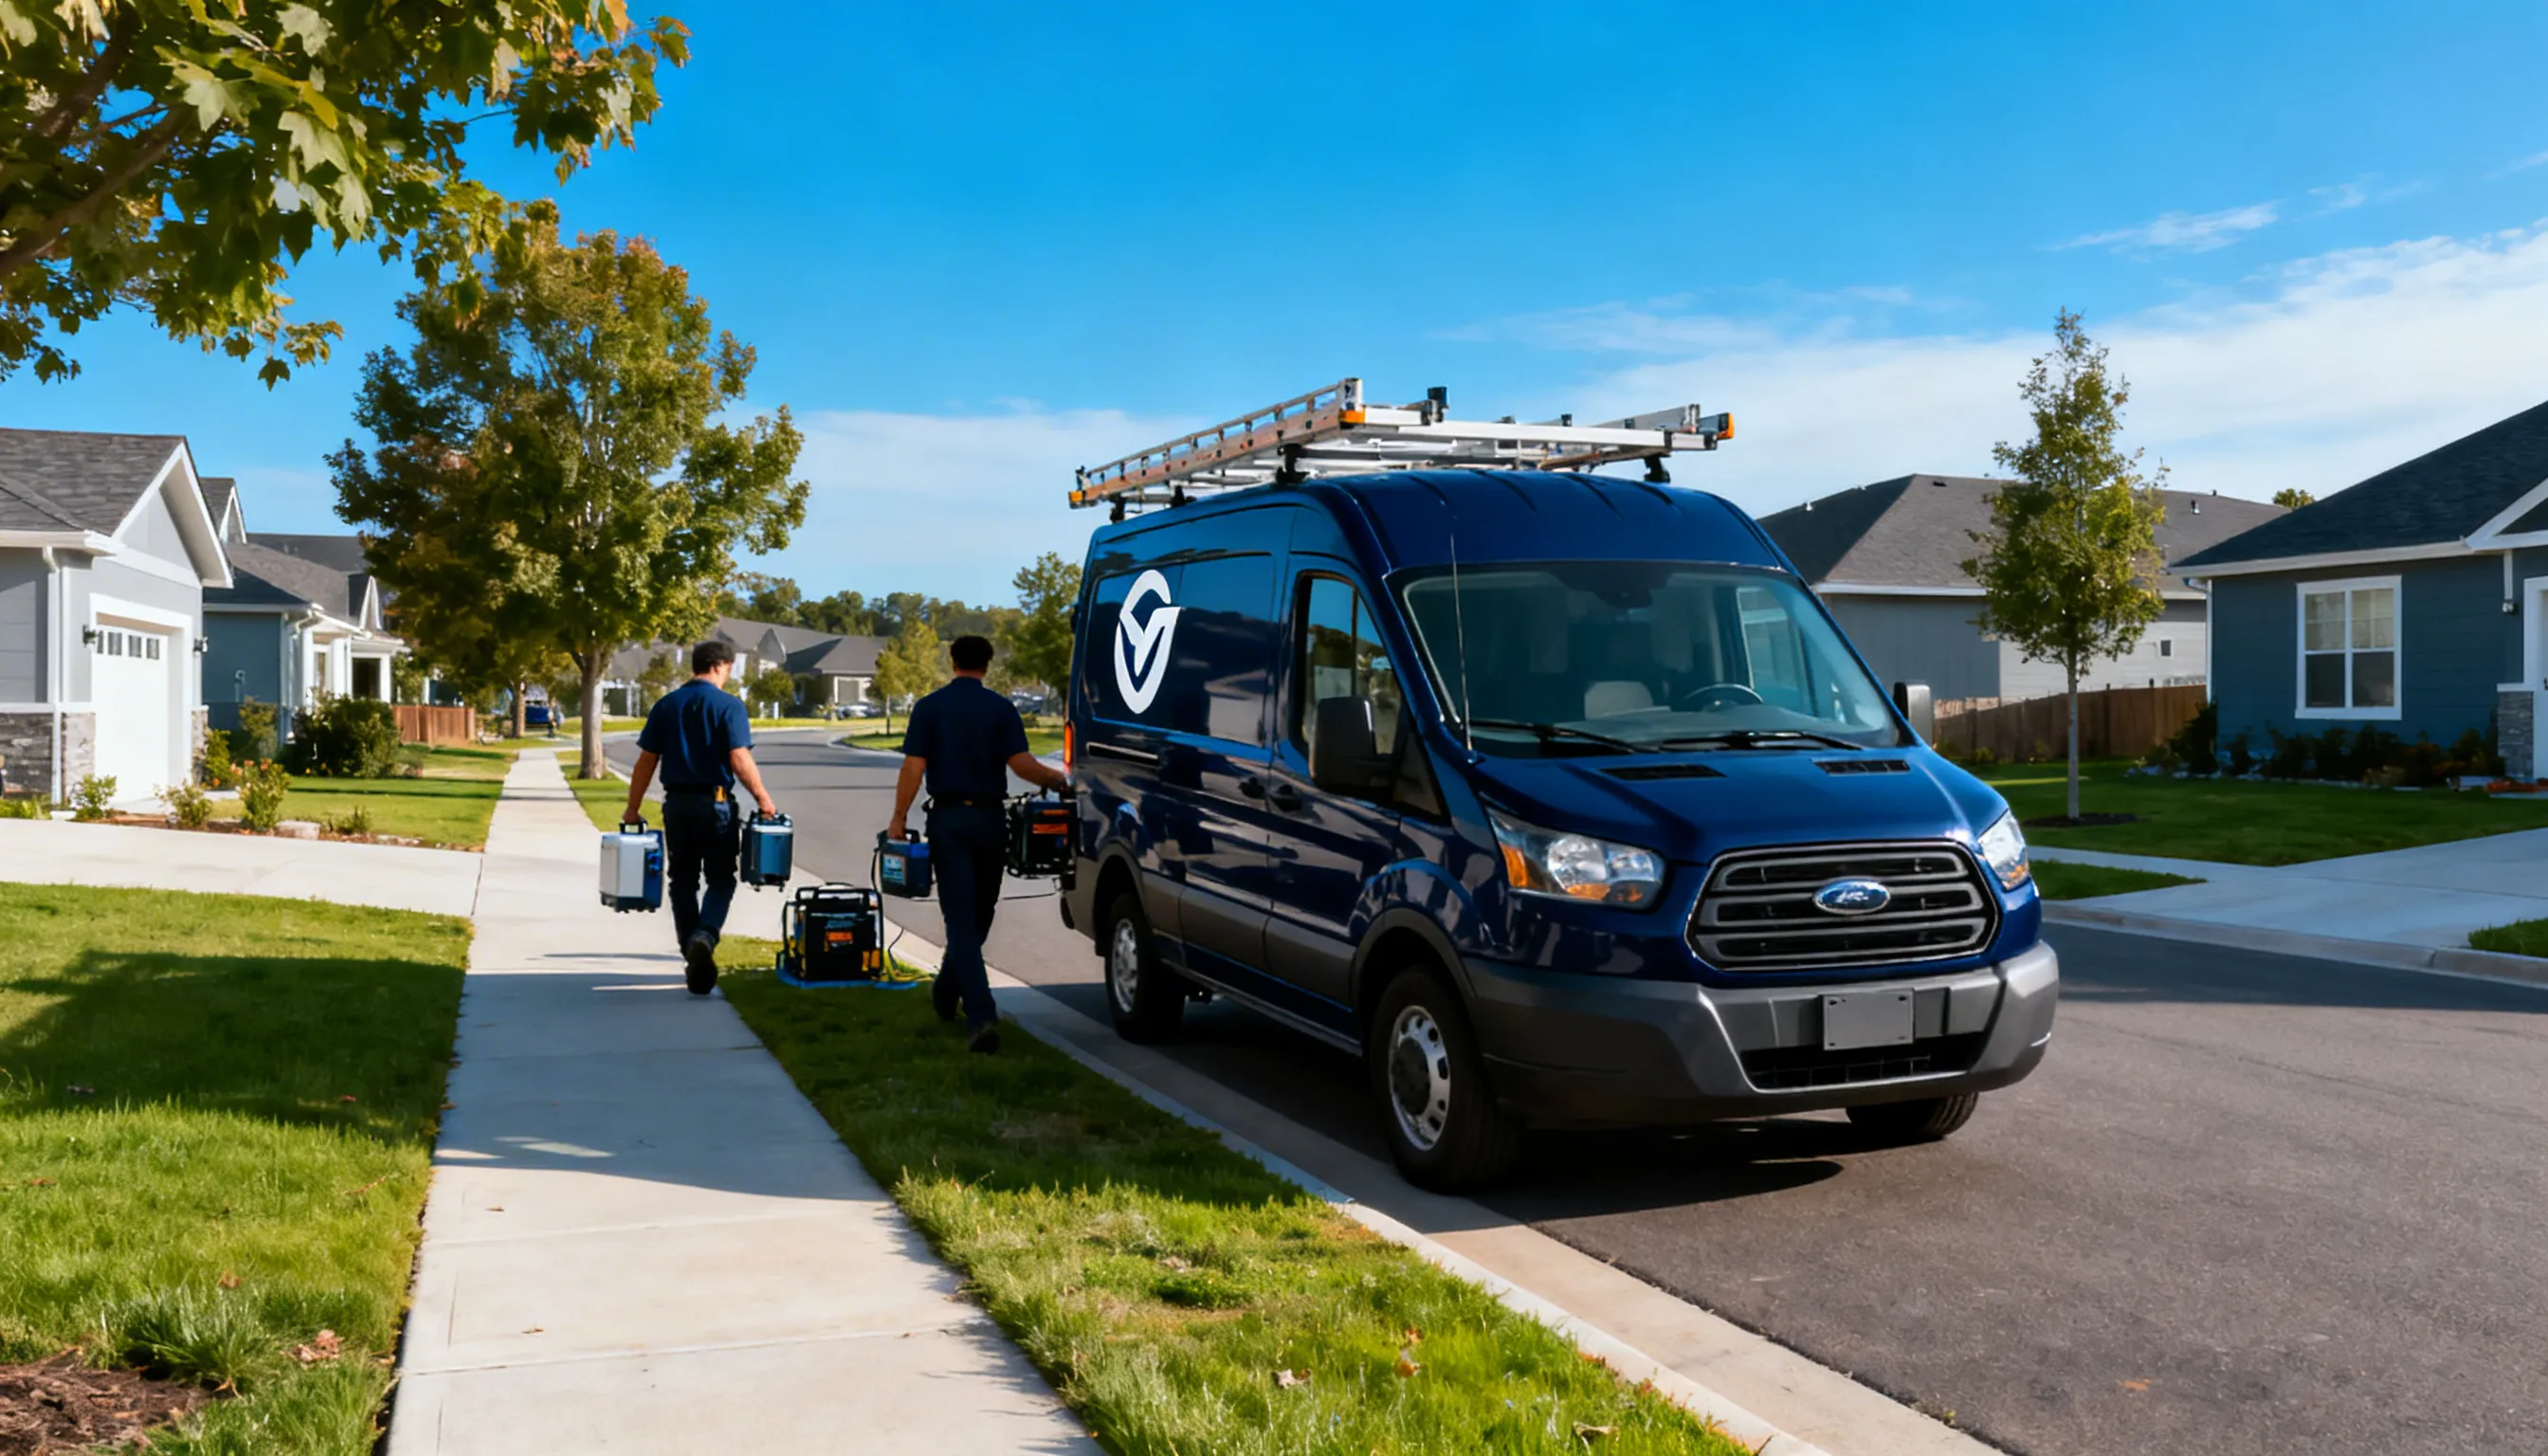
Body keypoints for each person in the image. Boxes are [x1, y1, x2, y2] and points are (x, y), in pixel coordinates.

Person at [887, 634, 1067, 1053]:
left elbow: (914, 767)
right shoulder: (1001, 709)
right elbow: (1021, 765)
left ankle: (949, 988)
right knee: (978, 916)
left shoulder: (930, 707)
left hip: (948, 820)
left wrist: (898, 817)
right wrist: (1058, 781)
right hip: (991, 820)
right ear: (986, 664)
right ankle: (981, 1014)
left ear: (952, 662)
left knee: (964, 919)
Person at [622, 640, 778, 995]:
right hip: (717, 804)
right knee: (721, 878)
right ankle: (705, 935)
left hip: (677, 805)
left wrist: (632, 808)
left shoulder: (667, 705)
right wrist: (763, 799)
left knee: (683, 881)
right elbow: (739, 758)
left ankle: (691, 950)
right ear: (721, 666)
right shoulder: (729, 706)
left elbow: (646, 761)